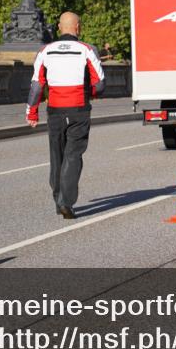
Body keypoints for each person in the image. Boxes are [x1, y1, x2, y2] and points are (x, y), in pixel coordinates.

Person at [26, 12, 105, 220]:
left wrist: (32, 112)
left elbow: (36, 85)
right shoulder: (87, 50)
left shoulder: (45, 51)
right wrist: (91, 94)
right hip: (78, 109)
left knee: (57, 155)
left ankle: (57, 197)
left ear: (59, 27)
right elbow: (100, 84)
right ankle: (66, 201)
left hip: (55, 110)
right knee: (73, 154)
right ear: (77, 27)